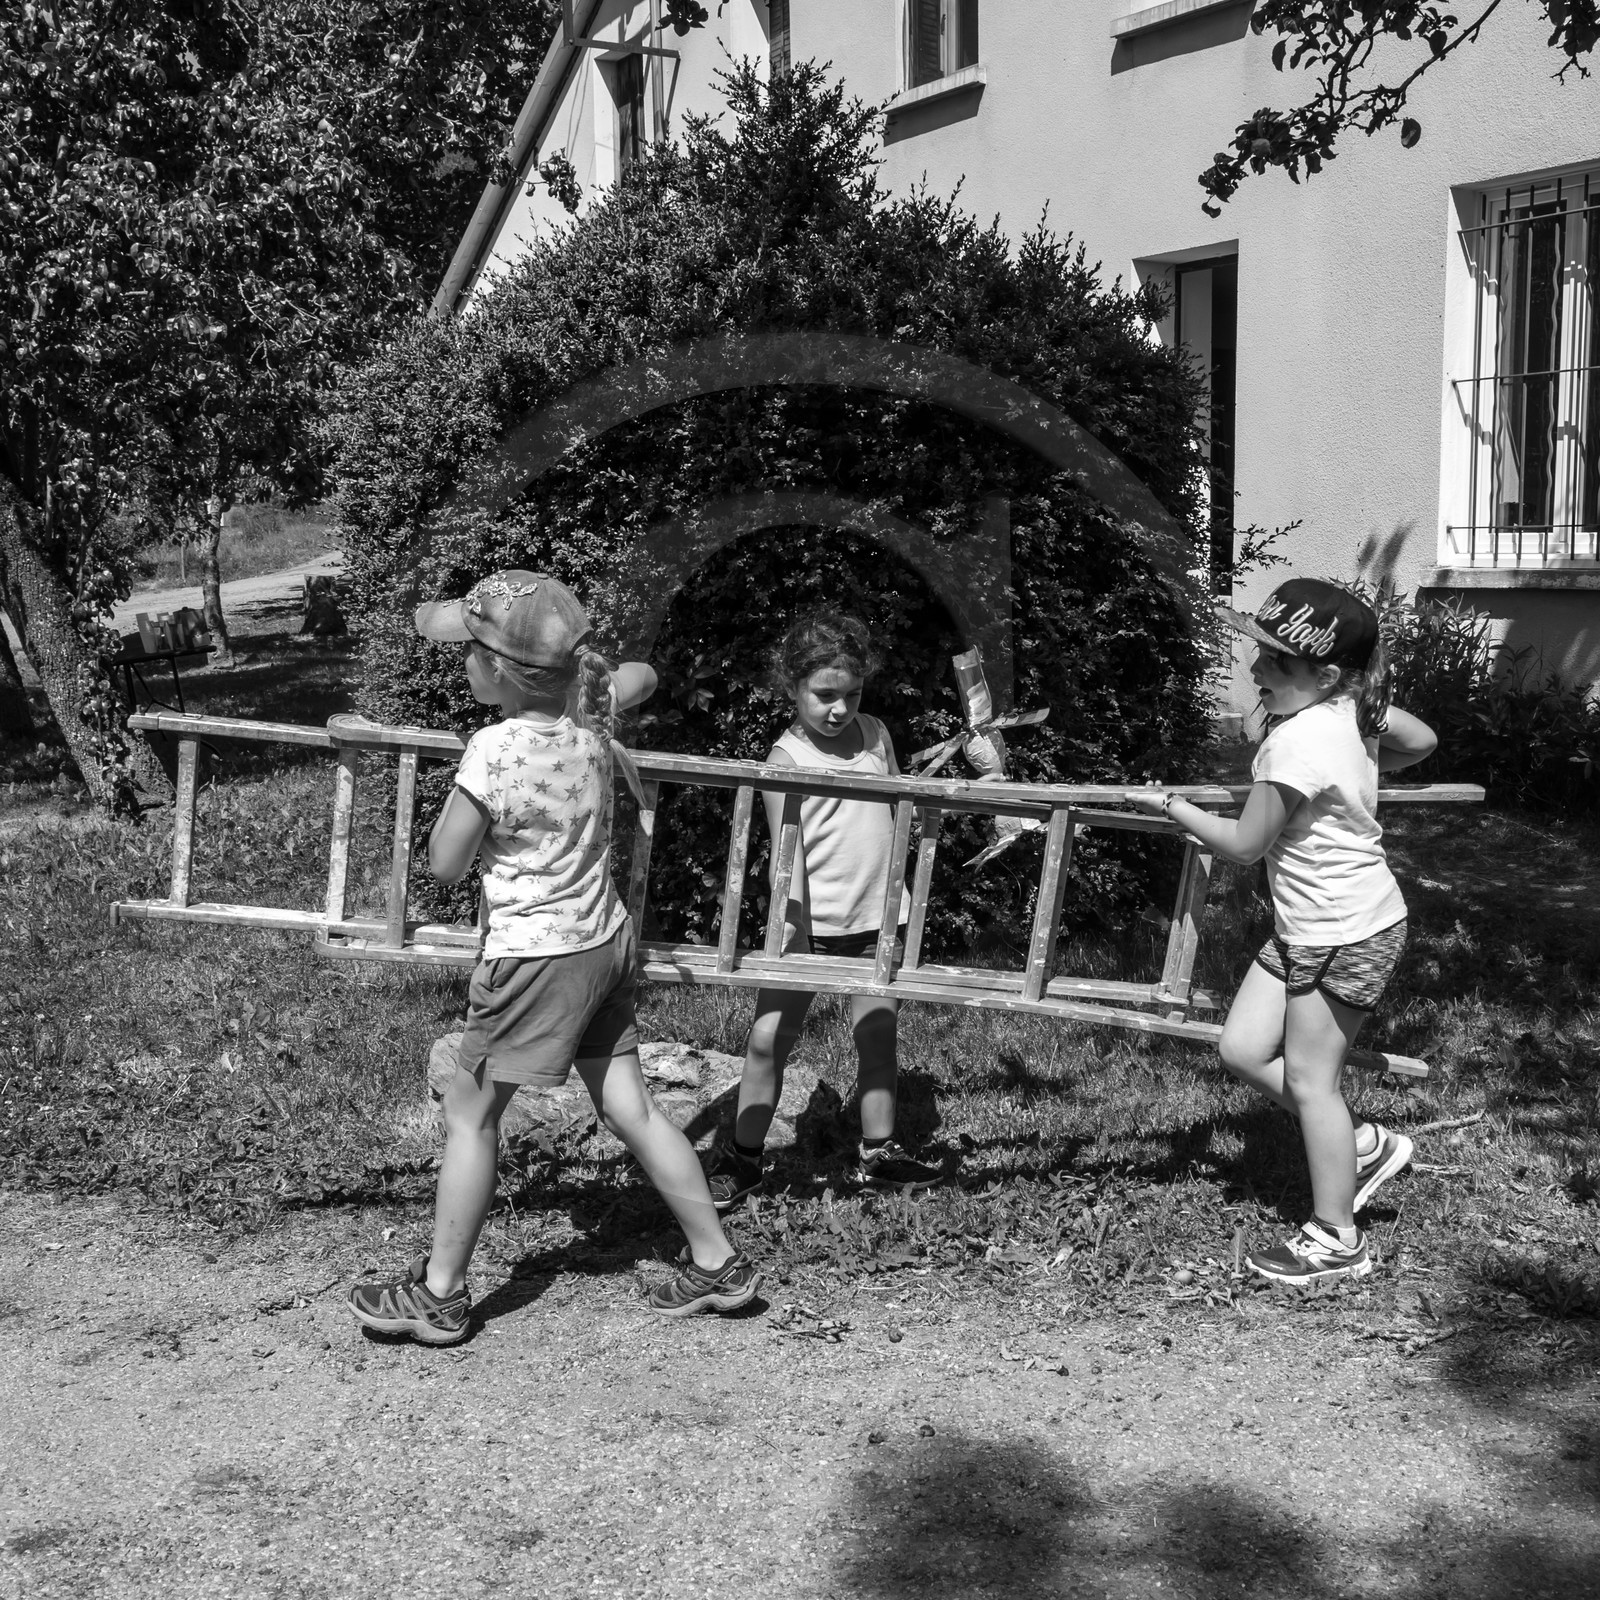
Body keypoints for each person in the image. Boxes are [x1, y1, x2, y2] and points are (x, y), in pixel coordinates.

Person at [347, 570, 758, 1344]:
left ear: (498, 670)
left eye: (467, 650)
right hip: (602, 942)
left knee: (471, 1114)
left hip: (533, 958)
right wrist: (594, 677)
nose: (460, 663)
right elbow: (638, 677)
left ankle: (439, 1295)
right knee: (630, 1109)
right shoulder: (592, 726)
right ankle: (717, 1260)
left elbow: (443, 861)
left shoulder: (493, 749)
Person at [1128, 578, 1437, 1289]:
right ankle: (1362, 1145)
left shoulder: (1298, 743)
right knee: (1240, 1048)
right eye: (1259, 654)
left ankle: (1337, 1239)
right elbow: (1422, 741)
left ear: (1325, 675)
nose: (1256, 672)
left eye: (1276, 664)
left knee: (1309, 1078)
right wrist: (1357, 706)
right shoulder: (1342, 717)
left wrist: (1169, 804)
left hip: (1346, 932)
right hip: (1314, 926)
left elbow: (1242, 844)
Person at [703, 612, 943, 1210]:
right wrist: (791, 930)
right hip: (807, 924)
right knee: (768, 1040)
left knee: (877, 1034)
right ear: (794, 689)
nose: (839, 709)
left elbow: (895, 811)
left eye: (852, 694)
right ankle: (744, 1158)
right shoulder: (784, 761)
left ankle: (879, 1152)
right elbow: (788, 851)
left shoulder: (877, 735)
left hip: (876, 920)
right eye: (825, 695)